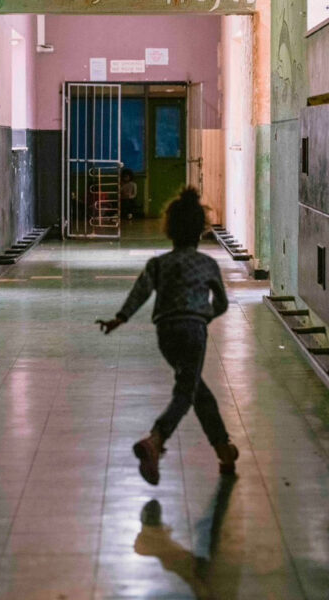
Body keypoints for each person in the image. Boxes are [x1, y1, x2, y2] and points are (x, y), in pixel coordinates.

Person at [96, 186, 239, 485]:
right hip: (194, 331)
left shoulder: (159, 264)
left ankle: (224, 450)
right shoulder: (208, 264)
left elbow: (140, 293)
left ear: (169, 230)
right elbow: (222, 303)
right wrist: (204, 315)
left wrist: (118, 320)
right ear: (201, 230)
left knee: (195, 388)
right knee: (186, 392)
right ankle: (156, 439)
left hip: (166, 334)